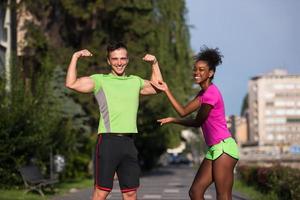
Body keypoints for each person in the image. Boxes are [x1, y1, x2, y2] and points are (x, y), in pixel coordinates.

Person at [65, 41, 162, 200]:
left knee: (130, 193)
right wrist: (75, 57)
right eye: (115, 59)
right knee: (101, 192)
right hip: (108, 142)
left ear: (127, 60)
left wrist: (154, 63)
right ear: (109, 61)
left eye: (123, 59)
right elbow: (71, 83)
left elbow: (159, 87)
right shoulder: (100, 80)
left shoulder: (135, 81)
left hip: (129, 142)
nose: (119, 63)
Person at [155, 46, 239, 200]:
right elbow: (183, 111)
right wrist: (166, 90)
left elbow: (197, 122)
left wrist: (175, 121)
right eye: (195, 69)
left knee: (223, 195)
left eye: (201, 70)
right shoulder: (203, 94)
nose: (196, 73)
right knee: (195, 192)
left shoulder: (211, 94)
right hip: (215, 148)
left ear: (210, 73)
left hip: (225, 148)